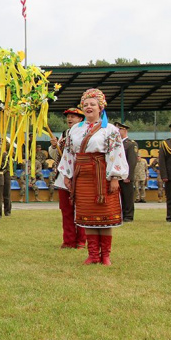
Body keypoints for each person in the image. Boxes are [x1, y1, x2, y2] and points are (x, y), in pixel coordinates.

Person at [57, 89, 129, 265]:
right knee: (87, 216)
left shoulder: (110, 130)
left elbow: (116, 153)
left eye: (92, 104)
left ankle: (105, 256)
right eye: (86, 104)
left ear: (100, 107)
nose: (89, 107)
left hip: (102, 175)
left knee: (105, 215)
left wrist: (114, 177)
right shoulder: (75, 130)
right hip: (82, 177)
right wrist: (67, 175)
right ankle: (93, 255)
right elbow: (69, 153)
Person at [51, 107, 87, 249]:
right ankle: (68, 240)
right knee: (66, 210)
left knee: (81, 210)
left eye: (74, 116)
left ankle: (81, 241)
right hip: (64, 175)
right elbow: (56, 157)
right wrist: (54, 147)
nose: (70, 119)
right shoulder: (64, 134)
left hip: (80, 174)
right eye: (68, 117)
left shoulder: (86, 133)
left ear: (81, 119)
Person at [114, 122, 138, 222]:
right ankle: (120, 214)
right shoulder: (115, 144)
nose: (118, 132)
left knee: (127, 196)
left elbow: (132, 161)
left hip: (125, 175)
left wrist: (128, 176)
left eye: (119, 130)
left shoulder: (131, 144)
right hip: (117, 175)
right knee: (118, 197)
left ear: (125, 130)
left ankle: (128, 216)